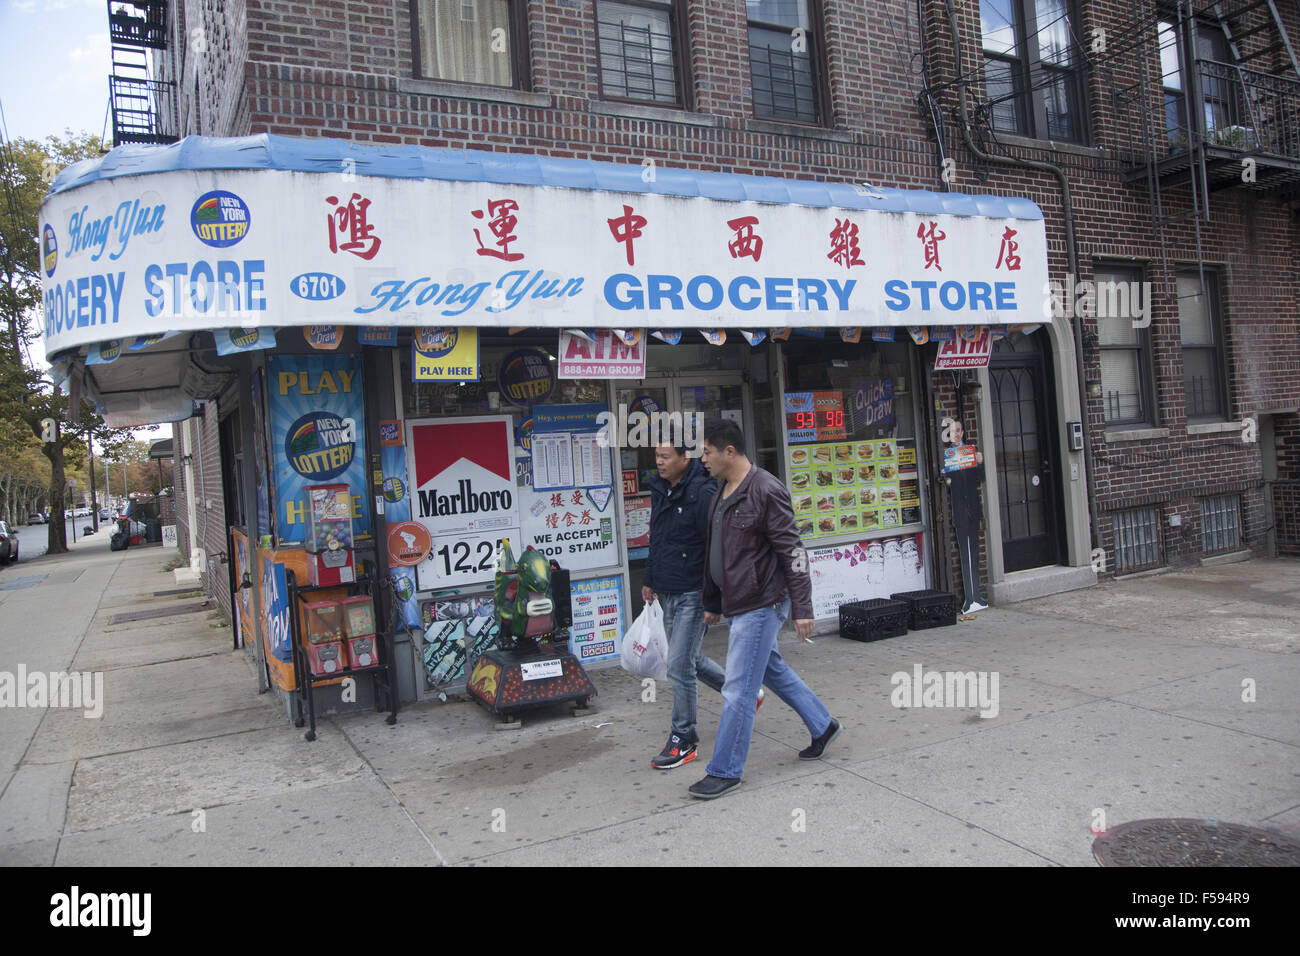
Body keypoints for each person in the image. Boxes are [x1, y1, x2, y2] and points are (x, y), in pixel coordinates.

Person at [689, 419, 841, 800]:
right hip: (738, 602)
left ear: (729, 451)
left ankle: (725, 770)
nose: (702, 459)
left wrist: (802, 608)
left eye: (706, 451)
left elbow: (793, 551)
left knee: (739, 688)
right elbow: (716, 551)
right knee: (771, 670)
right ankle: (823, 725)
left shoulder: (766, 489)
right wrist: (712, 603)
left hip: (762, 602)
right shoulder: (720, 492)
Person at [642, 441, 759, 770]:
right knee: (687, 657)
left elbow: (715, 546)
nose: (660, 463)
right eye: (656, 457)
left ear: (685, 457)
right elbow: (658, 536)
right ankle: (748, 694)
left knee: (678, 665)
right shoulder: (660, 488)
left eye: (666, 457)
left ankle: (684, 737)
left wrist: (713, 598)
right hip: (667, 589)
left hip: (693, 590)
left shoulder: (704, 492)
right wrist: (650, 578)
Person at [943, 418, 988, 614]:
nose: (957, 434)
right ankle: (968, 598)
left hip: (973, 508)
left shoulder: (970, 451)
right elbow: (945, 483)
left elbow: (981, 479)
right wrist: (945, 475)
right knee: (964, 553)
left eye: (959, 430)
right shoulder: (945, 455)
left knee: (975, 552)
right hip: (959, 509)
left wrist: (980, 463)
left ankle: (976, 595)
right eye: (953, 431)